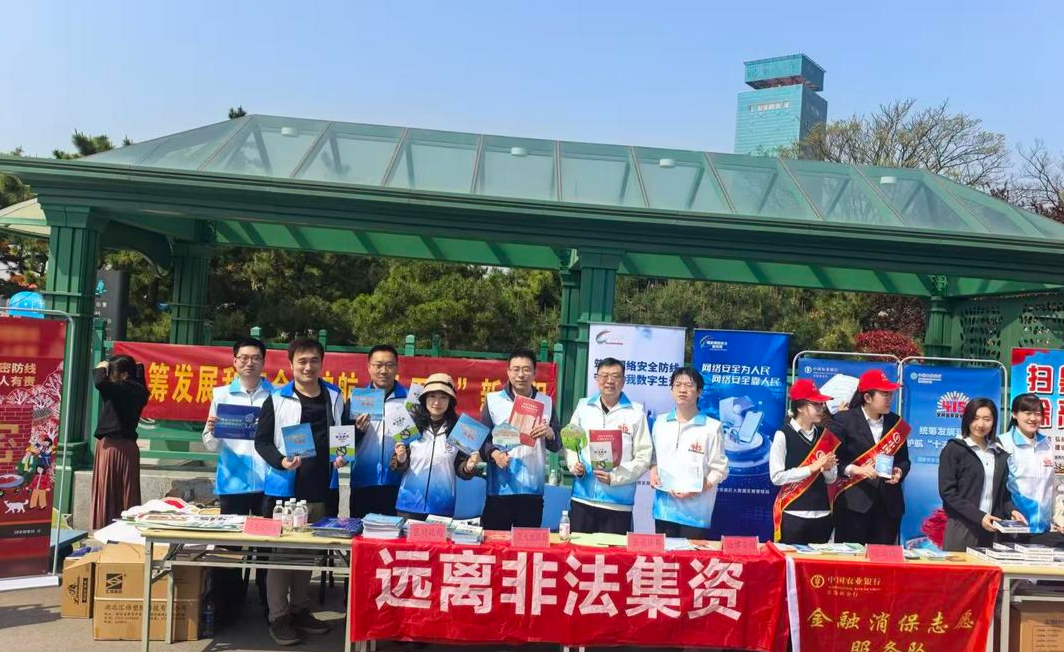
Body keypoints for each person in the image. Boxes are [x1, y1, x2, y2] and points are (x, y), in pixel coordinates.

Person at [254, 338, 342, 646]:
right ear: (291, 364)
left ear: (322, 363)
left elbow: (340, 436)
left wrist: (342, 456)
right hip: (285, 491)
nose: (308, 366)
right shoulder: (277, 398)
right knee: (281, 556)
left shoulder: (334, 396)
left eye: (314, 360)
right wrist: (281, 461)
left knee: (307, 554)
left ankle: (300, 609)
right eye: (302, 361)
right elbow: (262, 441)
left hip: (321, 488)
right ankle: (278, 616)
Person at [201, 336, 273, 626]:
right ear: (234, 362)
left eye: (255, 358)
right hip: (233, 483)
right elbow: (210, 444)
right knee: (229, 548)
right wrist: (211, 430)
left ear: (264, 362)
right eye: (244, 357)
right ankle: (228, 606)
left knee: (268, 546)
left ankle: (270, 606)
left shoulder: (276, 396)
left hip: (268, 483)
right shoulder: (221, 395)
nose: (249, 363)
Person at [564, 357, 652, 535]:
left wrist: (615, 477)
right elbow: (571, 442)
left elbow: (644, 456)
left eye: (615, 376)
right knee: (579, 550)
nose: (609, 381)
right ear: (597, 379)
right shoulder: (584, 406)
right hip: (583, 498)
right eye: (604, 376)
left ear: (624, 381)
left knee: (614, 551)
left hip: (618, 503)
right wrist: (575, 465)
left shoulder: (636, 412)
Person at [478, 349, 561, 530]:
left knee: (526, 545)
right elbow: (482, 440)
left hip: (532, 491)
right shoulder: (493, 401)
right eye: (516, 369)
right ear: (508, 372)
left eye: (526, 369)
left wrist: (550, 433)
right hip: (499, 490)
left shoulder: (546, 403)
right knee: (495, 544)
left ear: (535, 373)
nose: (521, 375)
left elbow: (557, 445)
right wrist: (494, 454)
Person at [832, 369, 911, 545]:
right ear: (867, 397)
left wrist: (899, 471)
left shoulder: (896, 423)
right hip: (853, 504)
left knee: (883, 558)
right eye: (885, 394)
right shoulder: (844, 420)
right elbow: (833, 460)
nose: (889, 399)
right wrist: (855, 469)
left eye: (891, 394)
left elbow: (904, 460)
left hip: (888, 506)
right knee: (851, 558)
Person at [648, 367, 728, 539]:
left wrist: (698, 488)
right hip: (664, 510)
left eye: (689, 385)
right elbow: (654, 457)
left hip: (695, 513)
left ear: (699, 391)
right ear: (671, 390)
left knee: (691, 556)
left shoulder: (712, 427)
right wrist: (653, 472)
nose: (682, 390)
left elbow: (720, 469)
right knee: (664, 556)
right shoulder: (660, 423)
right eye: (677, 385)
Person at [390, 373, 480, 519]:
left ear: (450, 401)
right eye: (432, 396)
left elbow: (461, 468)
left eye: (443, 397)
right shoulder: (410, 426)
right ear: (424, 398)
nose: (437, 402)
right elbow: (397, 466)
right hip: (409, 504)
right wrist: (401, 459)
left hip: (442, 505)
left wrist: (469, 466)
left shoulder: (458, 430)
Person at [937, 398, 1019, 551]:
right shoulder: (954, 449)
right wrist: (979, 516)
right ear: (967, 419)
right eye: (975, 418)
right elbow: (948, 493)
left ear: (994, 422)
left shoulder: (999, 453)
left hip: (993, 530)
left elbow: (1003, 494)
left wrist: (1011, 511)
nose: (981, 424)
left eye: (987, 419)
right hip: (962, 528)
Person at [769, 379, 838, 544]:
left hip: (822, 513)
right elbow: (776, 477)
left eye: (822, 404)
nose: (821, 408)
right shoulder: (783, 435)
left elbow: (832, 479)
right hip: (793, 513)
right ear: (800, 407)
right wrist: (811, 468)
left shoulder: (825, 435)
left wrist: (826, 468)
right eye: (816, 404)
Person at [347, 344, 408, 518]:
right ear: (369, 367)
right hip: (363, 481)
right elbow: (343, 440)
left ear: (397, 367)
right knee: (362, 532)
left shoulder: (410, 401)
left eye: (389, 365)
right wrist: (358, 431)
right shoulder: (356, 400)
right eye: (378, 365)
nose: (383, 371)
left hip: (399, 482)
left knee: (396, 532)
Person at [89, 354, 149, 530]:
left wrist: (101, 367)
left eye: (112, 374)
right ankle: (127, 530)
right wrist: (138, 369)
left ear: (123, 375)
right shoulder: (139, 390)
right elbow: (138, 380)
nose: (109, 378)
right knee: (127, 493)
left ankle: (106, 528)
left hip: (111, 448)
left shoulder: (120, 388)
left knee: (108, 491)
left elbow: (100, 383)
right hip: (129, 448)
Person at [998, 393, 1064, 546]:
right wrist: (1010, 511)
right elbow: (998, 489)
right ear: (1014, 414)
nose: (1033, 418)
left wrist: (1060, 519)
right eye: (1027, 413)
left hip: (1042, 528)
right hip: (1013, 528)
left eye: (1038, 414)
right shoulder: (1003, 443)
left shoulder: (1047, 444)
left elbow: (1052, 487)